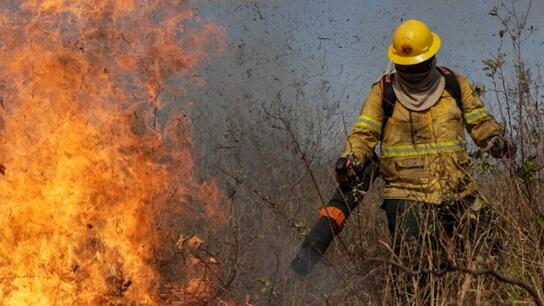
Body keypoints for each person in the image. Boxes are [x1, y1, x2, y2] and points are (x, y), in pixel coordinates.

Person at [337, 19, 515, 302]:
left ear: (432, 57)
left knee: (489, 245)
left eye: (420, 64)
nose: (415, 70)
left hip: (459, 189)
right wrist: (350, 158)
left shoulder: (453, 84)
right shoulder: (383, 92)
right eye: (409, 66)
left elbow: (479, 120)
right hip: (407, 195)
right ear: (398, 64)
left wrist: (495, 139)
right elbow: (364, 133)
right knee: (414, 266)